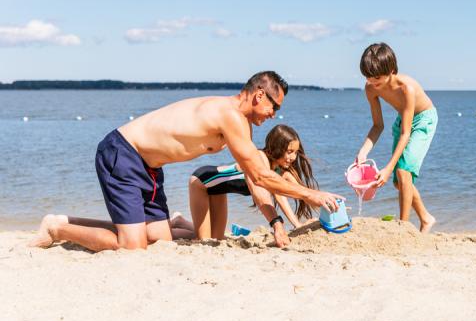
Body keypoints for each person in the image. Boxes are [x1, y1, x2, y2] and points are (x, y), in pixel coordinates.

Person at [28, 71, 342, 251]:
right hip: (123, 153)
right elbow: (262, 177)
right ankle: (58, 228)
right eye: (274, 107)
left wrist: (275, 224)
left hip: (150, 169)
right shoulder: (229, 115)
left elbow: (254, 178)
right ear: (260, 95)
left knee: (158, 240)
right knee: (133, 248)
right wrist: (313, 195)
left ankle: (76, 223)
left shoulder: (240, 125)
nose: (274, 115)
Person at [181, 124, 318, 247]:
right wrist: (278, 224)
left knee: (216, 239)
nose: (293, 157)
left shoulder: (281, 171)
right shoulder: (259, 158)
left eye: (295, 152)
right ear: (277, 147)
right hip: (201, 182)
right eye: (289, 152)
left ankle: (181, 221)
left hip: (219, 190)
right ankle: (174, 225)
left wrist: (298, 225)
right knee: (203, 241)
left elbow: (295, 194)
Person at [355, 43, 438, 233]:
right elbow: (378, 126)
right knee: (398, 181)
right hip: (404, 119)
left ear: (391, 70)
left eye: (377, 77)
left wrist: (388, 167)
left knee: (402, 172)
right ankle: (426, 218)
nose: (372, 81)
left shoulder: (405, 88)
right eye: (367, 76)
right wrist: (363, 151)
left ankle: (403, 228)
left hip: (423, 120)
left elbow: (406, 133)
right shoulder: (371, 88)